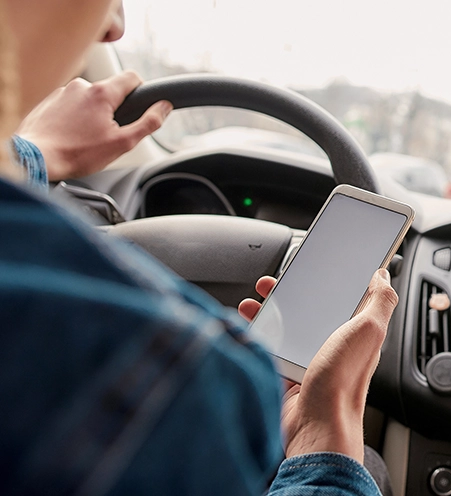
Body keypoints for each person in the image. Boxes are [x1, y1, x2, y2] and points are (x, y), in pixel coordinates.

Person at [0, 1, 395, 495]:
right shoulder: (173, 377)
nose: (114, 24)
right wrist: (328, 442)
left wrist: (33, 152)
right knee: (372, 465)